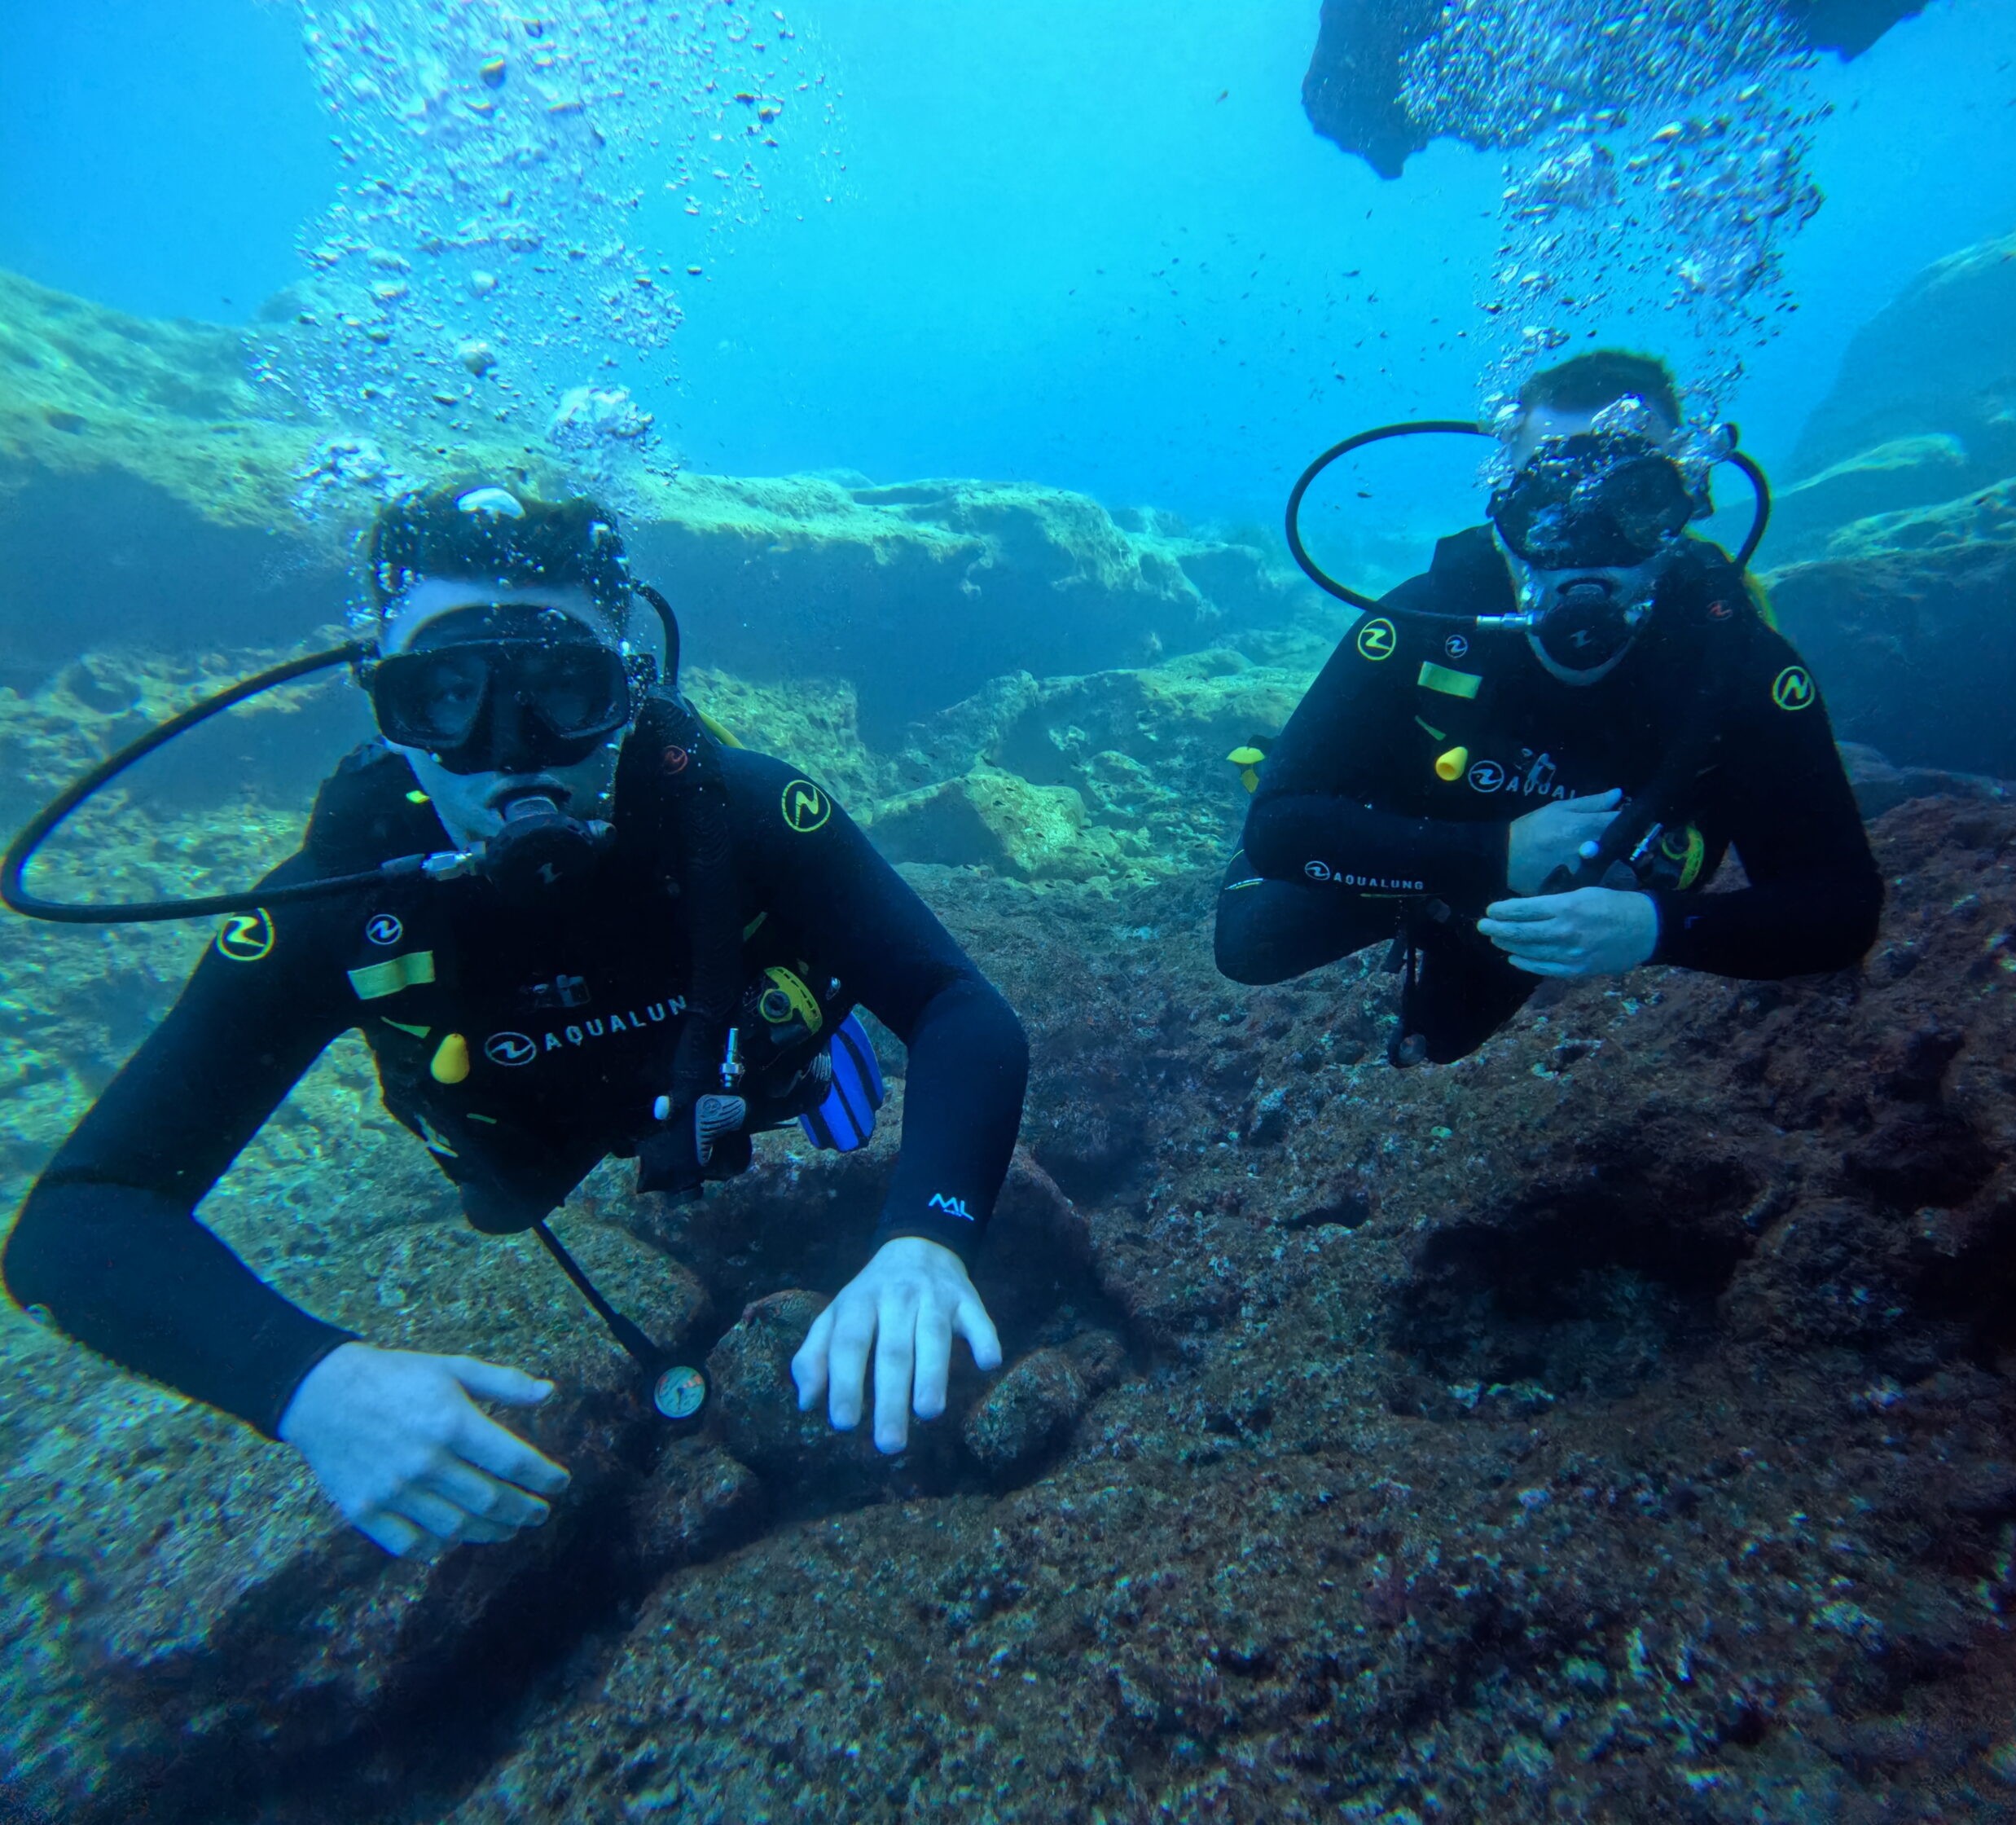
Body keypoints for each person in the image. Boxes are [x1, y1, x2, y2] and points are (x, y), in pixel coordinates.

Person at [3, 480, 1029, 1561]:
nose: (512, 750)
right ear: (384, 704)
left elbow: (958, 1005)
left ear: (627, 690)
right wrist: (304, 1379)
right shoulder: (340, 901)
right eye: (447, 695)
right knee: (508, 1197)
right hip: (523, 1127)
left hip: (730, 1071)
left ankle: (814, 1044)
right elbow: (79, 1220)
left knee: (794, 1073)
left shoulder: (740, 809)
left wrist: (926, 1239)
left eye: (563, 687)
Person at [1216, 350, 1882, 1061]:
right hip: (1420, 837)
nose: (1587, 549)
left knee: (1439, 1045)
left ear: (1685, 507)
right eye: (1548, 507)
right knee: (1252, 947)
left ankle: (1457, 927)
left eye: (1635, 502)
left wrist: (1655, 929)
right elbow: (1280, 828)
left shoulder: (1736, 663)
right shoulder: (1429, 621)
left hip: (1552, 892)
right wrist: (1491, 852)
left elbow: (1841, 908)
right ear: (1504, 512)